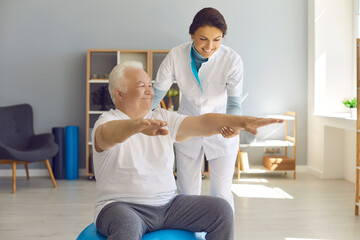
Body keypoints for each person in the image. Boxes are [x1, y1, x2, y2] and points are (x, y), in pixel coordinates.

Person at [92, 61, 282, 240]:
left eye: (150, 85)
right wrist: (137, 126)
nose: (150, 91)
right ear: (119, 94)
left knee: (221, 210)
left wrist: (241, 122)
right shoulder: (106, 121)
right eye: (142, 85)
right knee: (127, 225)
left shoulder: (162, 116)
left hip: (168, 206)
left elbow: (201, 122)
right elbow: (109, 135)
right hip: (121, 206)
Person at [151, 7, 243, 210]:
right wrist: (135, 121)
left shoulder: (232, 60)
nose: (210, 46)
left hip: (222, 130)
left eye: (217, 40)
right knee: (187, 192)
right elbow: (156, 95)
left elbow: (235, 104)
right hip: (188, 127)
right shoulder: (176, 55)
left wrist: (234, 126)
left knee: (221, 194)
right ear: (192, 34)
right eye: (203, 38)